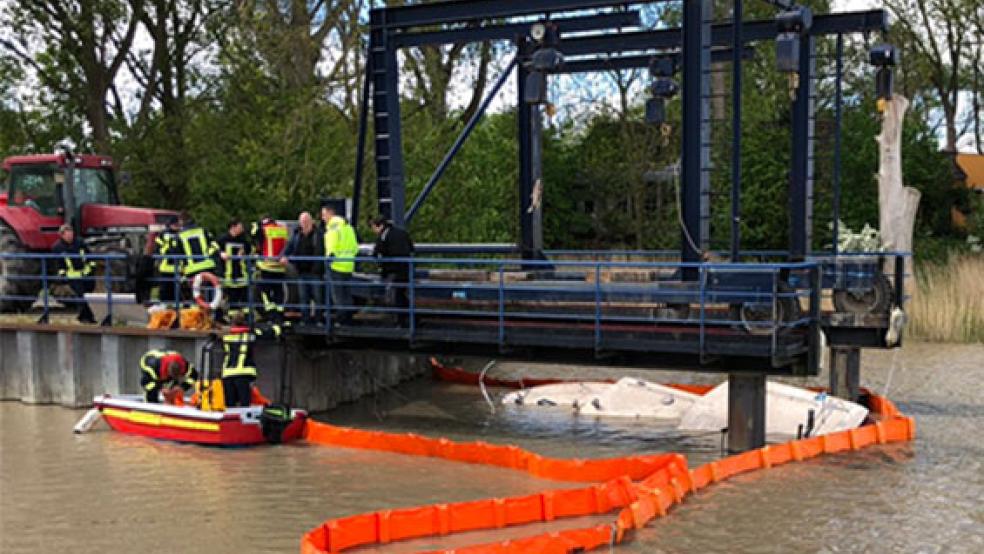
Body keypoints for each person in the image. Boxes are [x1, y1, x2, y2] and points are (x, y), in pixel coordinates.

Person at [220, 313, 282, 407]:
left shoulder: (225, 335)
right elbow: (268, 333)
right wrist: (278, 327)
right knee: (245, 404)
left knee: (230, 405)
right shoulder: (250, 334)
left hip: (227, 373)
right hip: (243, 373)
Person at [280, 211, 324, 325]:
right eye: (302, 221)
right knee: (303, 298)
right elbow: (288, 247)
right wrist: (283, 256)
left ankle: (319, 320)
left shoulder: (318, 234)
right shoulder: (296, 234)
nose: (304, 224)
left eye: (306, 221)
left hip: (315, 272)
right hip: (301, 271)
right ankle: (305, 320)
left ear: (311, 221)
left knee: (318, 298)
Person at [370, 215, 415, 326]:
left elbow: (377, 251)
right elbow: (411, 247)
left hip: (395, 269)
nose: (374, 231)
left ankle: (401, 320)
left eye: (374, 228)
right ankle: (410, 317)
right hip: (407, 267)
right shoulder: (401, 232)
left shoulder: (384, 236)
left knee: (396, 295)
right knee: (401, 293)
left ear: (380, 226)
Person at [320, 200, 358, 325]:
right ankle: (348, 319)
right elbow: (355, 247)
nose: (323, 217)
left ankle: (341, 321)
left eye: (324, 214)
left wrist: (329, 259)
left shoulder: (333, 227)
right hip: (348, 265)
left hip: (336, 265)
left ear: (331, 213)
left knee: (338, 296)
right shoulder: (347, 227)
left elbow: (331, 246)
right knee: (347, 294)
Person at [50, 224, 97, 324]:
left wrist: (92, 267)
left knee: (89, 294)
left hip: (86, 273)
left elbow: (89, 255)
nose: (70, 236)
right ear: (62, 235)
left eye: (71, 234)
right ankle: (87, 317)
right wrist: (63, 275)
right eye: (67, 235)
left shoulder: (80, 242)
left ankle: (85, 316)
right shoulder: (57, 247)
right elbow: (58, 264)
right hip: (72, 276)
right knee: (81, 296)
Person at [214, 218, 252, 324]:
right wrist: (220, 253)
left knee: (244, 300)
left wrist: (245, 252)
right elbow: (211, 249)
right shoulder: (223, 239)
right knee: (230, 299)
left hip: (241, 275)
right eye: (240, 226)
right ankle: (227, 319)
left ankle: (247, 319)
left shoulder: (244, 240)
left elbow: (251, 250)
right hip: (227, 275)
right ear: (233, 227)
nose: (242, 229)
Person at [251, 216, 289, 323]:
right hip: (280, 267)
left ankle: (271, 315)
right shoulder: (282, 229)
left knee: (265, 292)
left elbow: (254, 236)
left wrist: (256, 225)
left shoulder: (263, 229)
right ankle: (279, 315)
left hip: (267, 266)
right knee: (279, 292)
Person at [153, 215, 183, 308]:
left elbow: (158, 248)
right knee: (167, 289)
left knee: (174, 290)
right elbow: (158, 248)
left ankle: (173, 309)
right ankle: (167, 308)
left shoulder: (165, 234)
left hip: (174, 267)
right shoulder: (165, 234)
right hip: (169, 266)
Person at [177, 216, 217, 280]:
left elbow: (178, 253)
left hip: (191, 269)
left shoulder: (180, 235)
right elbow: (215, 245)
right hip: (207, 266)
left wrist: (182, 270)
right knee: (209, 288)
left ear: (183, 222)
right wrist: (208, 254)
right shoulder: (203, 231)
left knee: (193, 288)